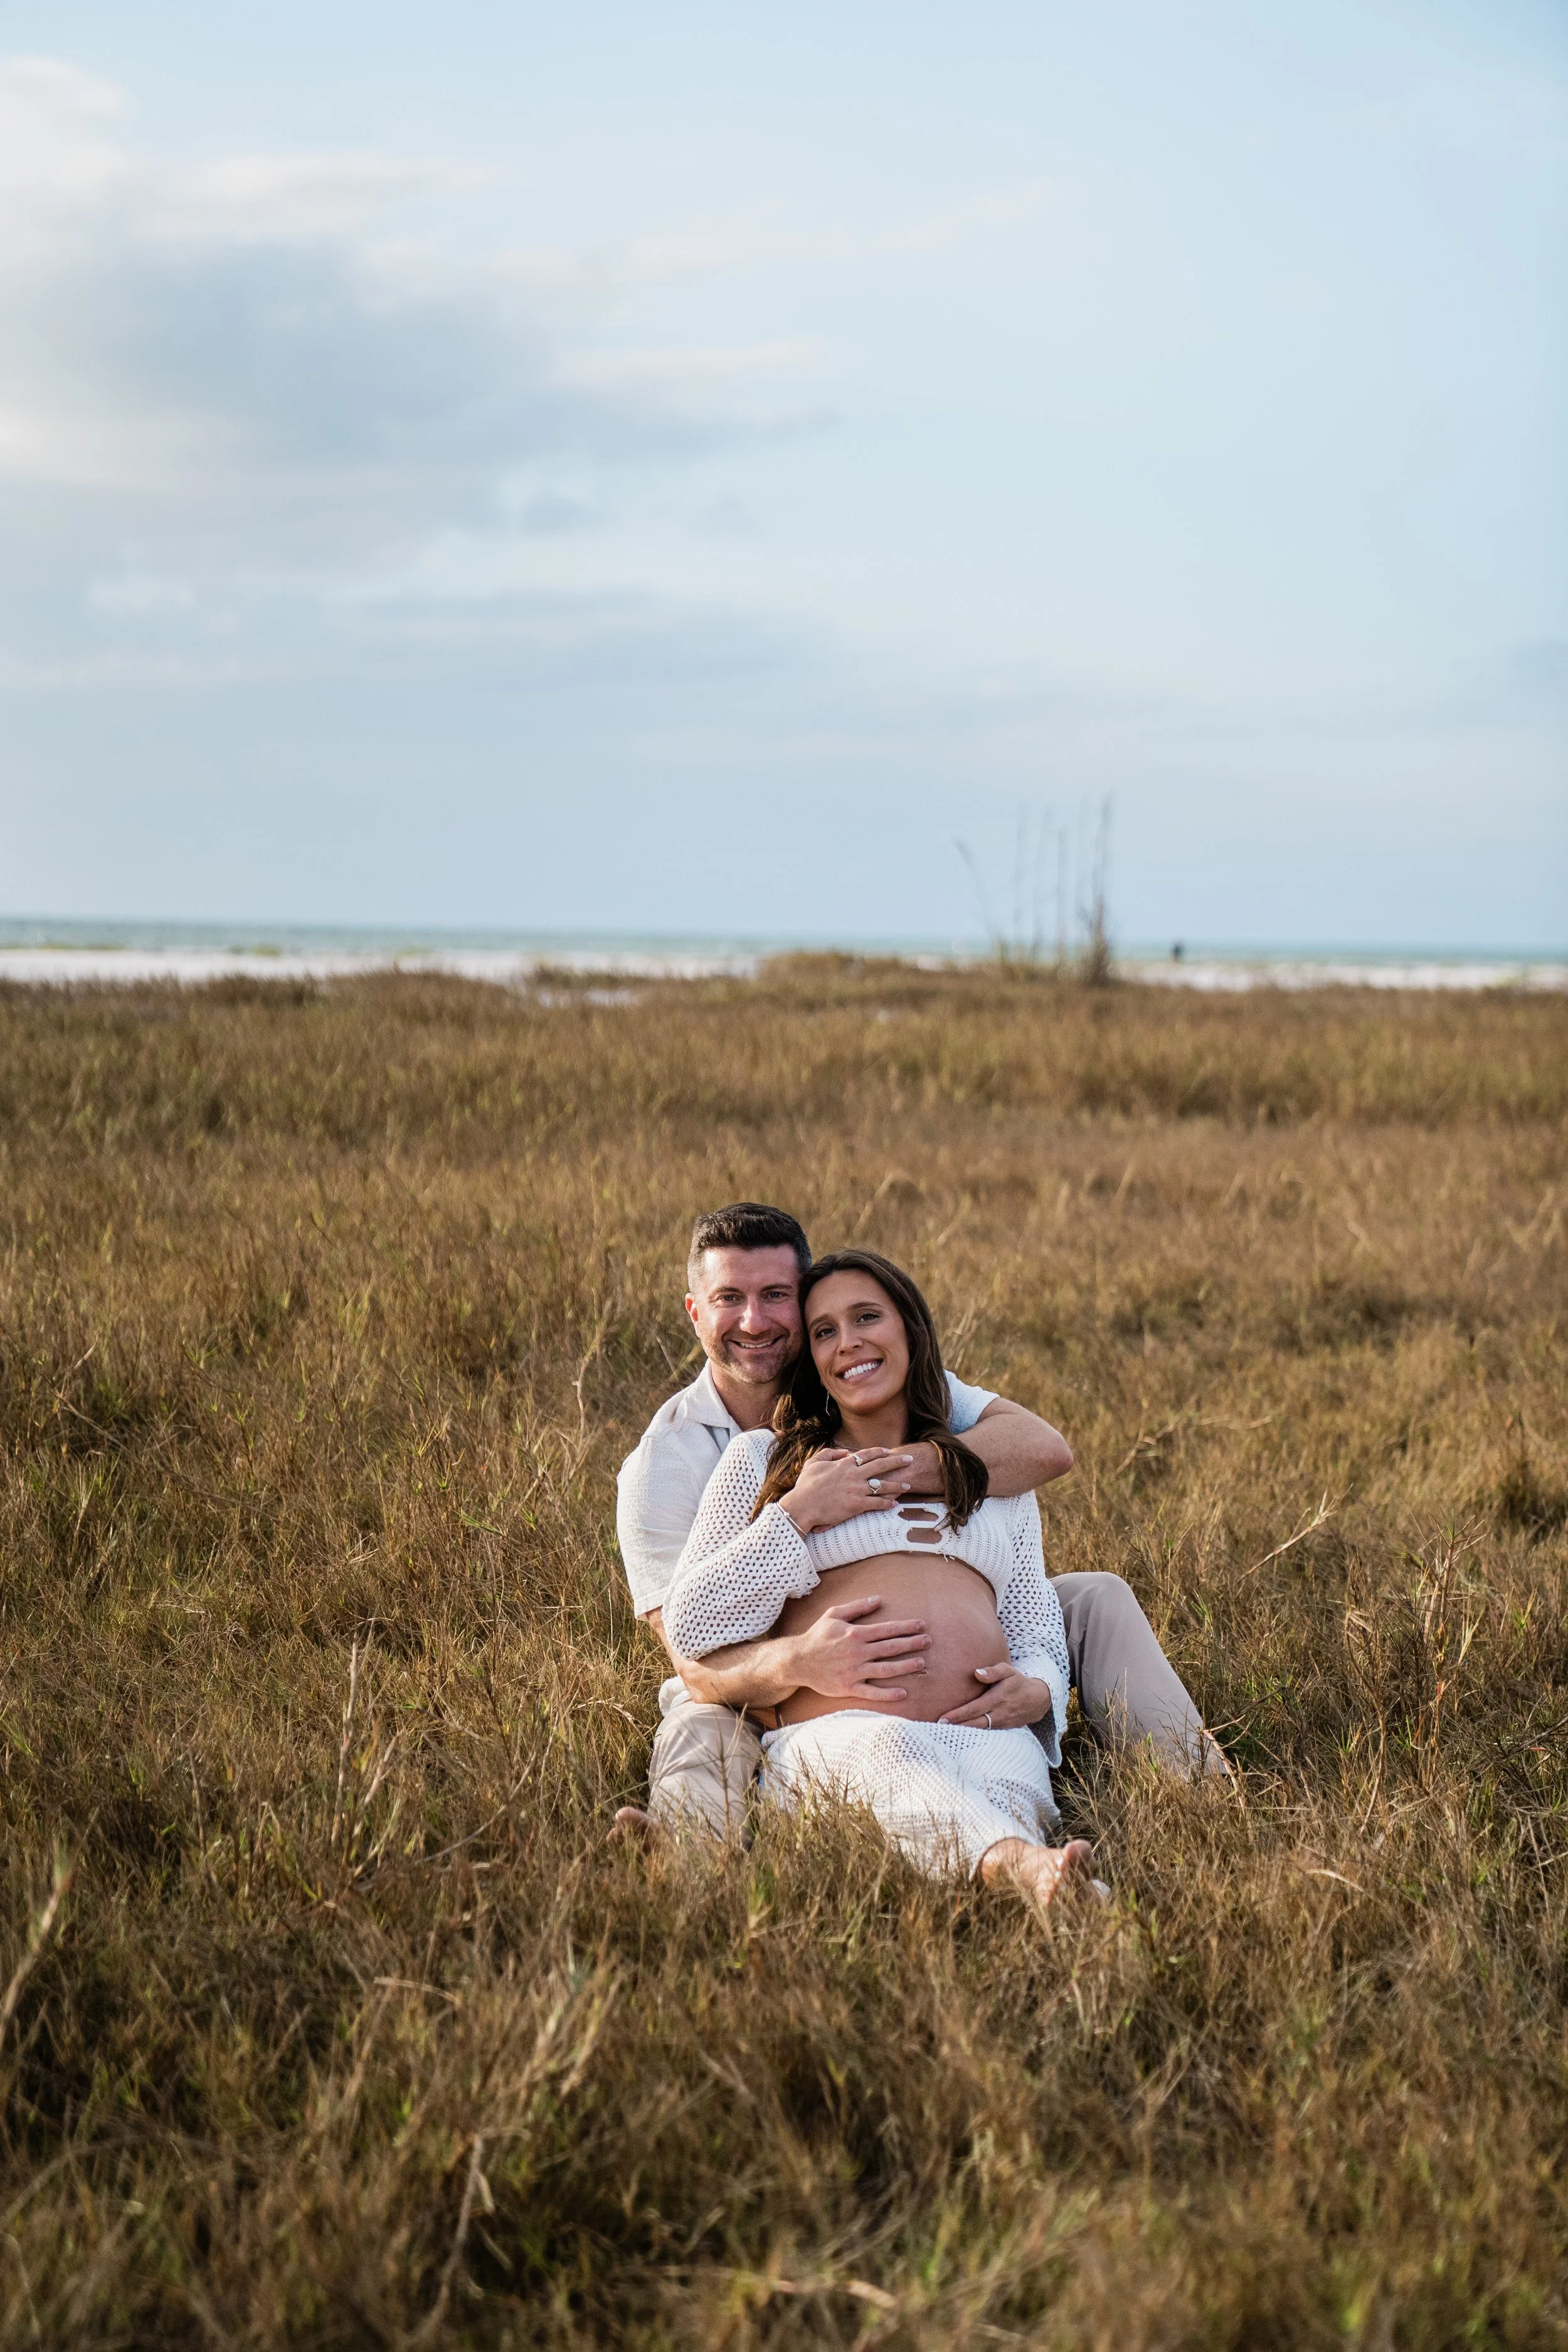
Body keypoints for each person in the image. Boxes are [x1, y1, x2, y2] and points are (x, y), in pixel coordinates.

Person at [615, 1203, 1221, 1840]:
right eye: (728, 1298)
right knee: (702, 1725)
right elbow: (697, 1661)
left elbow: (1042, 1451)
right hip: (765, 1680)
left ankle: (1199, 1795)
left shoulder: (870, 1374)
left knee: (1095, 1596)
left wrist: (886, 1467)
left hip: (969, 1613)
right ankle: (687, 1851)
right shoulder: (670, 1463)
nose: (754, 1320)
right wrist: (801, 1662)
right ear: (696, 1311)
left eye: (775, 1296)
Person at [662, 1249, 1098, 1905]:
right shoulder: (763, 1462)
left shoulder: (990, 1477)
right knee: (890, 1752)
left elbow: (1032, 1619)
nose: (849, 1343)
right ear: (810, 1359)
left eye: (867, 1316)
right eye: (824, 1332)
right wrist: (798, 1514)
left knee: (1001, 1788)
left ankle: (1038, 1882)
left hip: (982, 1734)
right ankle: (1028, 1871)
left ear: (911, 1332)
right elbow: (692, 1624)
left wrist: (1037, 1691)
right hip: (838, 1738)